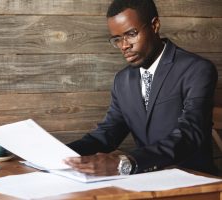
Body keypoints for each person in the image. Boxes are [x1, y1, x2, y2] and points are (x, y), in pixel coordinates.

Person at [64, 0, 218, 176]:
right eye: (117, 39)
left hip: (195, 181)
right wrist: (60, 154)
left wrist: (126, 163)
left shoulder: (196, 69)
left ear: (155, 25)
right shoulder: (122, 80)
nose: (124, 45)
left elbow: (189, 134)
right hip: (145, 180)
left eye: (131, 34)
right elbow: (107, 134)